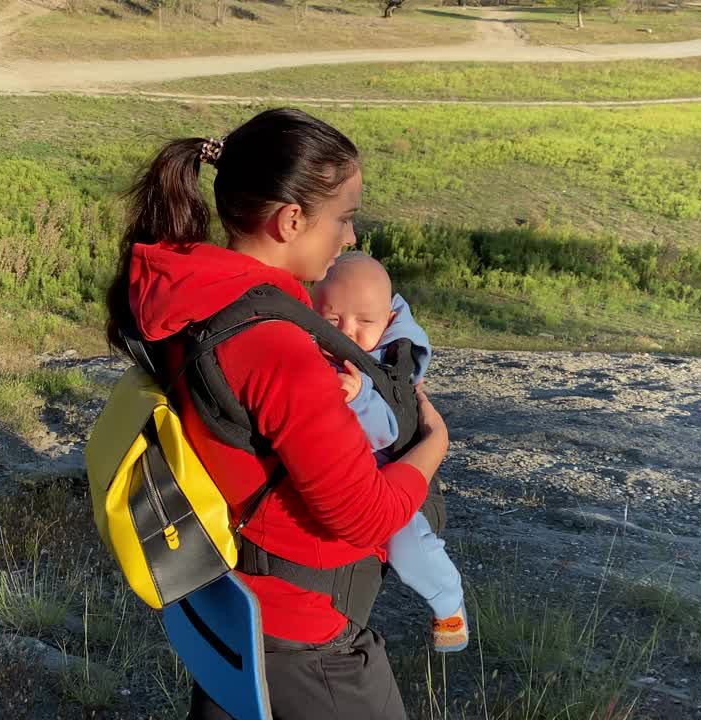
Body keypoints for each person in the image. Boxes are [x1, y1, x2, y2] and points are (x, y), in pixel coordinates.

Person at [104, 107, 450, 719]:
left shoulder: (200, 298)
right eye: (343, 219)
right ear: (291, 220)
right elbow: (364, 517)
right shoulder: (278, 348)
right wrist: (434, 445)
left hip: (235, 607)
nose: (350, 239)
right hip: (306, 638)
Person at [313, 252, 468, 653]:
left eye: (364, 323)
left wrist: (361, 396)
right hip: (345, 479)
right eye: (331, 320)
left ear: (387, 321)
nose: (347, 333)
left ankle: (447, 601)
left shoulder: (381, 367)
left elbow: (387, 430)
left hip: (389, 478)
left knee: (409, 545)